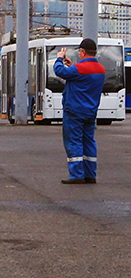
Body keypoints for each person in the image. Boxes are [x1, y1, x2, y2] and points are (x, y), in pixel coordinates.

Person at [54, 38, 106, 185]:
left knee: (74, 142)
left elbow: (59, 71)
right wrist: (73, 66)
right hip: (90, 112)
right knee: (89, 141)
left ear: (83, 52)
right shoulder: (101, 69)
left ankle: (77, 175)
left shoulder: (79, 69)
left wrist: (59, 58)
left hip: (74, 112)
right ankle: (90, 175)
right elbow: (82, 77)